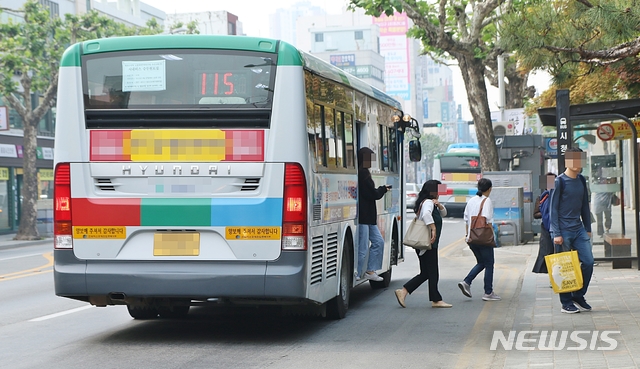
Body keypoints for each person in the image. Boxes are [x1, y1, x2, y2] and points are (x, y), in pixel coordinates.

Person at [394, 180, 452, 308]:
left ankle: (403, 292)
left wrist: (440, 205)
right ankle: (436, 300)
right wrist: (433, 228)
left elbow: (444, 213)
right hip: (427, 243)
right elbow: (426, 214)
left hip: (427, 244)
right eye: (439, 190)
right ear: (433, 191)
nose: (440, 193)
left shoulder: (429, 203)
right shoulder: (428, 203)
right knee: (432, 272)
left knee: (426, 273)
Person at [549, 147, 594, 314]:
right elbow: (552, 209)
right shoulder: (558, 181)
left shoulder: (581, 180)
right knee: (565, 267)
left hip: (578, 229)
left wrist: (588, 228)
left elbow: (584, 206)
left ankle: (578, 295)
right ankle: (566, 302)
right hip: (563, 231)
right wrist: (557, 233)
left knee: (588, 262)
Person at [458, 178, 501, 301]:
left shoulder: (471, 200)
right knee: (489, 264)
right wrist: (493, 236)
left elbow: (466, 220)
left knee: (482, 262)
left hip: (472, 238)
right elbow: (487, 221)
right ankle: (488, 292)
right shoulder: (487, 201)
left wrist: (468, 235)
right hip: (483, 239)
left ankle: (467, 282)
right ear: (490, 189)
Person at [357, 147, 390, 282]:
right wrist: (383, 189)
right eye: (369, 159)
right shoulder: (363, 174)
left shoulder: (364, 173)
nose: (371, 162)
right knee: (363, 247)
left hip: (369, 218)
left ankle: (370, 271)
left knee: (378, 242)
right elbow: (372, 194)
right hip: (364, 217)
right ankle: (358, 273)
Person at [532, 173, 557, 274]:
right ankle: (553, 276)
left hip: (558, 227)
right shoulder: (542, 197)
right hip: (546, 228)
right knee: (548, 252)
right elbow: (535, 214)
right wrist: (546, 212)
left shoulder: (559, 195)